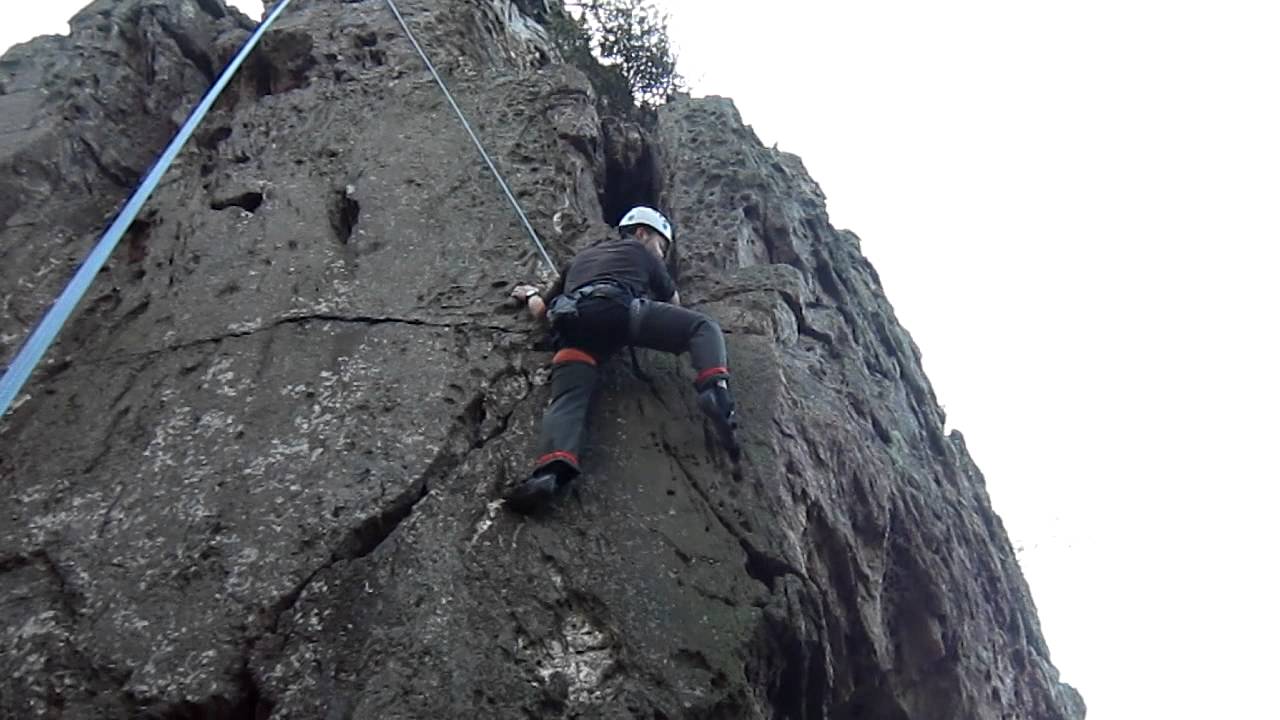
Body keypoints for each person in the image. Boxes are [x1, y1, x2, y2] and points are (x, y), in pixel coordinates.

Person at [504, 206, 738, 513]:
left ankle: (550, 473)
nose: (662, 255)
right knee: (702, 327)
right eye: (661, 246)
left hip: (571, 326)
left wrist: (531, 292)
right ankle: (715, 390)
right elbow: (674, 303)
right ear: (642, 233)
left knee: (568, 399)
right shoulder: (640, 252)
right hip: (617, 312)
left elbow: (541, 313)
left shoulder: (579, 260)